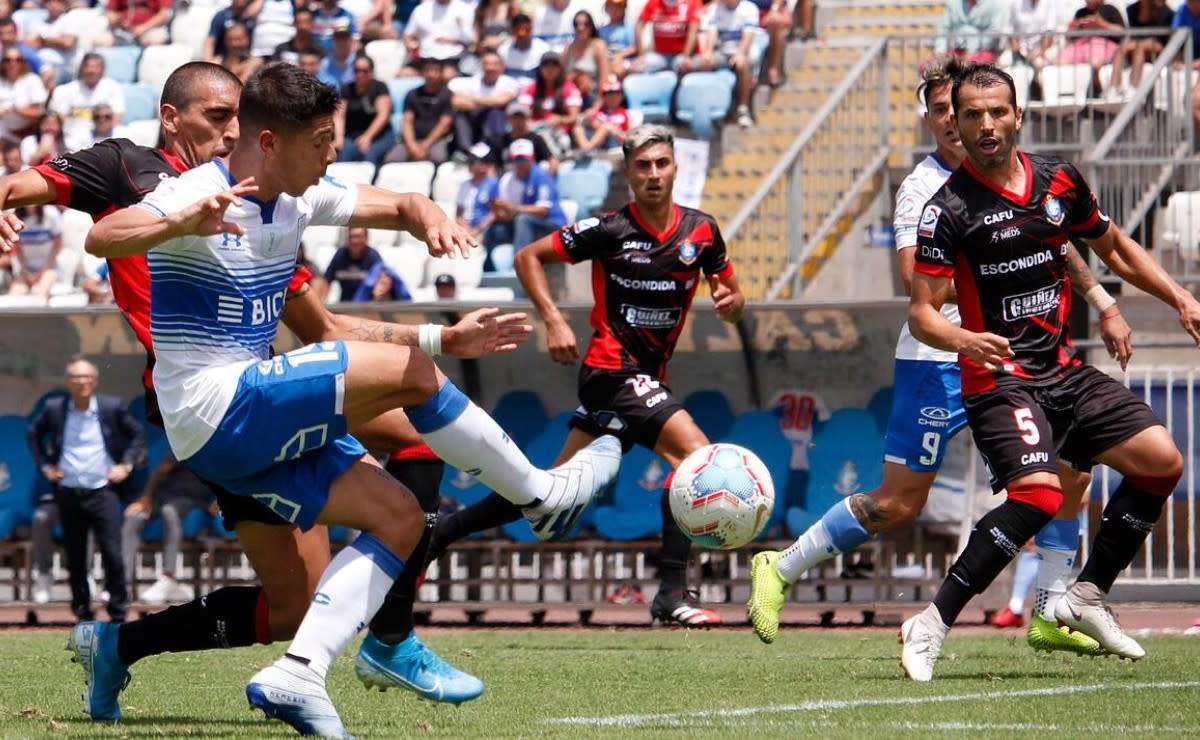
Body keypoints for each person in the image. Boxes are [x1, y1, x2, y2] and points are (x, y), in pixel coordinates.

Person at [82, 62, 620, 736]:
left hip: (244, 426)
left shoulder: (299, 194)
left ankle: (299, 672)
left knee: (399, 518)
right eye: (322, 141)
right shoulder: (199, 192)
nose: (334, 152)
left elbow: (394, 204)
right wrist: (178, 221)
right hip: (217, 408)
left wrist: (428, 214)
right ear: (271, 142)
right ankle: (540, 497)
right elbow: (102, 236)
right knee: (415, 374)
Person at [0, 62, 510, 723]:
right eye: (217, 117)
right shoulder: (129, 169)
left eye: (240, 116)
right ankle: (387, 637)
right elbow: (23, 189)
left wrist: (443, 339)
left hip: (261, 384)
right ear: (170, 117)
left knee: (322, 570)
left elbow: (322, 326)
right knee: (389, 473)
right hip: (206, 402)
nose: (233, 128)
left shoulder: (266, 199)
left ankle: (124, 644)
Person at [746, 56, 1132, 657]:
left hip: (1018, 358)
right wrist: (999, 267)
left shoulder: (1022, 177)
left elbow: (1053, 241)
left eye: (965, 109)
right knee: (900, 501)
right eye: (943, 111)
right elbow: (916, 285)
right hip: (940, 360)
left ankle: (1050, 608)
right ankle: (781, 566)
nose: (956, 121)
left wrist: (1101, 299)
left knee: (1072, 470)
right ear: (930, 119)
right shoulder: (925, 191)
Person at [900, 62, 1200, 681]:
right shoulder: (946, 210)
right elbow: (923, 313)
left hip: (1064, 373)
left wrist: (1179, 297)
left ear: (1018, 116)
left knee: (1163, 462)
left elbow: (1113, 247)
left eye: (997, 112)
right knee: (1039, 495)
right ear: (955, 121)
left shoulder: (1058, 181)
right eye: (972, 114)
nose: (986, 125)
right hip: (1000, 380)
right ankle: (930, 623)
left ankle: (1083, 598)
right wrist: (963, 338)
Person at [433, 124, 745, 627]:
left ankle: (441, 534)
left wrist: (732, 303)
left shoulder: (702, 232)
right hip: (610, 371)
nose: (653, 175)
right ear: (627, 174)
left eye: (661, 164)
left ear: (674, 168)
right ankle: (671, 591)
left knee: (548, 494)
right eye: (642, 167)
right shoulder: (609, 229)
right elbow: (526, 256)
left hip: (646, 379)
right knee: (696, 459)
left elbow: (731, 293)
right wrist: (553, 319)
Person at [26, 357, 146, 624]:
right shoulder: (55, 408)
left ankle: (118, 611)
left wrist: (125, 465)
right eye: (77, 378)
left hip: (104, 491)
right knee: (75, 555)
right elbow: (33, 433)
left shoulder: (110, 407)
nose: (82, 382)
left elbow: (137, 435)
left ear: (95, 381)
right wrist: (46, 465)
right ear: (69, 382)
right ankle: (82, 609)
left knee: (112, 551)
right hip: (69, 490)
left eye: (87, 377)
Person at [121, 451, 214, 604]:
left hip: (191, 500)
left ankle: (168, 576)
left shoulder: (217, 449)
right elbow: (162, 470)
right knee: (134, 517)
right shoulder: (184, 443)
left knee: (169, 511)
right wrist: (146, 497)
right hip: (161, 495)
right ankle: (123, 582)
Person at [683, 0, 758, 127]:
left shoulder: (749, 8)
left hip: (743, 51)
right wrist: (707, 53)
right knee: (694, 65)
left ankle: (743, 109)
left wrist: (740, 54)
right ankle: (701, 109)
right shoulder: (715, 9)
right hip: (722, 53)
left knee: (742, 65)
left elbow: (748, 37)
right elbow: (712, 33)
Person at [486, 138, 567, 254]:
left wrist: (512, 207)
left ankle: (519, 263)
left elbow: (542, 211)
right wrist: (498, 208)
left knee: (523, 220)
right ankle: (488, 268)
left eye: (524, 159)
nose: (521, 164)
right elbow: (507, 212)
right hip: (528, 222)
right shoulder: (510, 179)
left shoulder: (541, 176)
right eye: (517, 160)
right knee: (496, 230)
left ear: (532, 158)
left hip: (553, 224)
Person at [48, 53, 125, 151]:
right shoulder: (66, 90)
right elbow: (59, 119)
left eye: (95, 67)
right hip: (72, 138)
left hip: (103, 138)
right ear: (81, 69)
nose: (91, 71)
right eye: (87, 66)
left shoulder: (112, 88)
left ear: (102, 70)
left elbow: (116, 117)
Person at [385, 56, 453, 164]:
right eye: (427, 70)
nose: (431, 75)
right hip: (411, 140)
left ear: (441, 74)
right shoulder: (412, 94)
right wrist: (412, 146)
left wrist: (425, 145)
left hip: (436, 141)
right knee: (392, 160)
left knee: (439, 159)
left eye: (435, 71)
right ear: (422, 73)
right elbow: (407, 121)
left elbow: (444, 125)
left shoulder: (448, 95)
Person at [450, 48, 520, 152]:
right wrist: (490, 102)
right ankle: (467, 152)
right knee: (461, 115)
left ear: (502, 66)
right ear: (482, 66)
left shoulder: (509, 82)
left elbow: (501, 101)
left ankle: (495, 152)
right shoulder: (472, 81)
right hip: (474, 119)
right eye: (486, 64)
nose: (490, 68)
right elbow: (456, 101)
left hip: (498, 122)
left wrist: (471, 100)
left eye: (494, 64)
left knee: (495, 112)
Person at [333, 54, 394, 168]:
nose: (359, 74)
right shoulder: (347, 89)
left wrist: (368, 137)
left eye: (364, 71)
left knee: (370, 155)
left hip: (380, 135)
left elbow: (383, 116)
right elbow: (339, 116)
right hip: (353, 134)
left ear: (371, 72)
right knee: (343, 154)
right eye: (356, 70)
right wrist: (339, 138)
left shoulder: (380, 87)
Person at [7, 203, 62, 301]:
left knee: (40, 296)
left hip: (49, 268)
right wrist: (25, 272)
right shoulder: (14, 216)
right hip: (26, 269)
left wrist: (43, 271)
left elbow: (57, 246)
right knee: (13, 297)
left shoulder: (51, 213)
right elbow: (18, 249)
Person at [934, 0, 1007, 64]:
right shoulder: (953, 2)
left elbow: (994, 33)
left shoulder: (996, 3)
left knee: (973, 70)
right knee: (930, 67)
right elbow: (943, 28)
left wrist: (971, 51)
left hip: (983, 52)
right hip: (956, 51)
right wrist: (940, 51)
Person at [573, 74, 630, 152]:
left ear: (621, 96)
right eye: (609, 94)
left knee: (605, 128)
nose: (612, 97)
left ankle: (587, 149)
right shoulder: (599, 111)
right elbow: (590, 122)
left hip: (615, 142)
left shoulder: (623, 113)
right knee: (578, 129)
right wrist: (591, 116)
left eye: (616, 94)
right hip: (598, 141)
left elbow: (626, 135)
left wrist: (612, 130)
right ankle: (585, 149)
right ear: (604, 97)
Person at [324, 225, 384, 299]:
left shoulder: (373, 256)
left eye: (358, 236)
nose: (354, 241)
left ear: (366, 239)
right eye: (351, 237)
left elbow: (383, 281)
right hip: (344, 305)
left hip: (367, 306)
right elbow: (326, 280)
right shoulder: (340, 255)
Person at [456, 141, 498, 239]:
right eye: (470, 161)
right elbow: (459, 215)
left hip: (485, 230)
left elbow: (494, 213)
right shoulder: (464, 185)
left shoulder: (493, 183)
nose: (469, 164)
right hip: (465, 229)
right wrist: (466, 229)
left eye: (473, 161)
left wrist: (477, 230)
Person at [498, 14, 551, 79]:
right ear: (512, 30)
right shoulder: (503, 50)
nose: (522, 33)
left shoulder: (543, 48)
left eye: (526, 29)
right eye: (518, 29)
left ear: (531, 29)